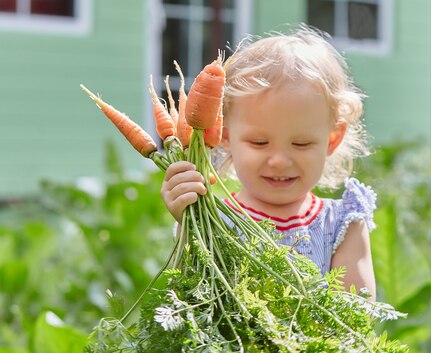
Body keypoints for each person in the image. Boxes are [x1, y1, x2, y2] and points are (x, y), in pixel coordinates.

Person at [160, 25, 377, 299]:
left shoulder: (342, 225)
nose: (279, 160)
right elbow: (188, 298)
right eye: (259, 143)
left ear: (332, 140)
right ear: (225, 136)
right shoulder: (214, 220)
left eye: (301, 144)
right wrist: (187, 221)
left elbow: (358, 312)